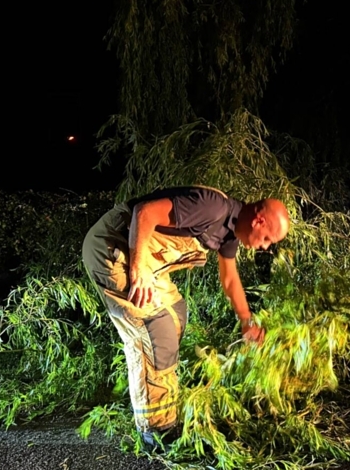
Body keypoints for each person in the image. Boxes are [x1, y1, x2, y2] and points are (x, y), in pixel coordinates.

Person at [82, 186, 291, 449]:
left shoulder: (230, 233)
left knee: (176, 313)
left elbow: (229, 278)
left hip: (144, 263)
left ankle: (166, 408)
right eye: (268, 239)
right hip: (114, 250)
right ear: (259, 221)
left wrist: (246, 321)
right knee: (155, 329)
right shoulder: (213, 208)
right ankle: (155, 431)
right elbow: (143, 213)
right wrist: (138, 270)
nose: (265, 246)